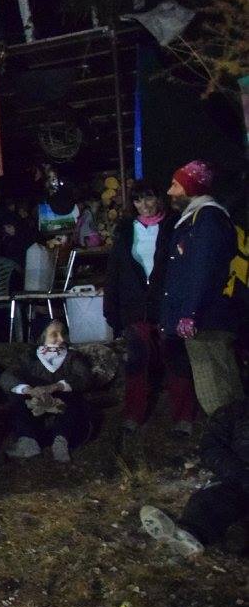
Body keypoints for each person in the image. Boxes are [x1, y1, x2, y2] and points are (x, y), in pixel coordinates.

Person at [104, 182, 194, 443]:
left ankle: (183, 417)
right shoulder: (125, 230)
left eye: (149, 198)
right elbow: (114, 272)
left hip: (166, 305)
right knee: (137, 360)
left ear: (158, 199)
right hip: (135, 307)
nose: (144, 205)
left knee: (175, 358)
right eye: (138, 200)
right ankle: (133, 415)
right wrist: (111, 310)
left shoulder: (173, 226)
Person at [160, 160, 242, 416]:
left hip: (206, 322)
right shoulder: (199, 219)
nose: (170, 191)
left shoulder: (206, 220)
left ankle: (226, 439)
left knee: (215, 391)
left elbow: (203, 270)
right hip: (206, 318)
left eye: (176, 185)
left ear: (191, 188)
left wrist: (189, 314)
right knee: (223, 385)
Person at [140, 400, 249, 558]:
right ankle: (188, 537)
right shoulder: (234, 412)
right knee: (209, 501)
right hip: (236, 479)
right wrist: (239, 473)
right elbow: (211, 448)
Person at [1, 320, 96, 462]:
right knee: (18, 401)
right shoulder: (29, 358)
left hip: (66, 411)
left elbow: (84, 378)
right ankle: (28, 443)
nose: (61, 339)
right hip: (35, 408)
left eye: (62, 334)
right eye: (54, 335)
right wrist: (30, 390)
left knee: (73, 400)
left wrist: (56, 387)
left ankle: (61, 442)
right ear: (42, 337)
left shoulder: (72, 357)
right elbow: (8, 376)